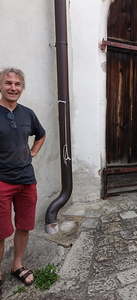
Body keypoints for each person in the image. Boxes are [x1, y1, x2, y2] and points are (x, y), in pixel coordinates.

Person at [0, 68, 46, 286]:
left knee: (24, 226)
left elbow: (41, 134)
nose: (13, 88)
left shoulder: (27, 113)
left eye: (17, 84)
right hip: (2, 182)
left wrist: (34, 152)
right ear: (1, 85)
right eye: (8, 83)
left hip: (27, 180)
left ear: (22, 88)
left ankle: (16, 265)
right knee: (0, 232)